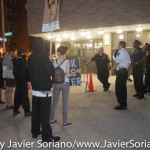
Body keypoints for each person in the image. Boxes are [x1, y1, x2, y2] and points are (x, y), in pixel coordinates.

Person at [27, 37, 60, 142]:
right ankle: (47, 137)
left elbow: (28, 72)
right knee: (45, 114)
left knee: (36, 112)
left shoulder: (30, 57)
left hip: (35, 89)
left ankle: (35, 132)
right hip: (44, 89)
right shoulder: (43, 56)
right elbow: (51, 71)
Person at [51, 46, 80, 127]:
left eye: (57, 51)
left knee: (54, 102)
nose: (57, 53)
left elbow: (53, 72)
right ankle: (65, 122)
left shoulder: (54, 61)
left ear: (59, 52)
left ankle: (52, 120)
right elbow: (68, 74)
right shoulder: (67, 61)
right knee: (64, 103)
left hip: (56, 83)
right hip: (65, 83)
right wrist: (76, 71)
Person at [13, 49, 31, 117]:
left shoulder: (16, 60)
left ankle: (15, 110)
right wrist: (28, 80)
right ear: (22, 53)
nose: (25, 54)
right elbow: (24, 72)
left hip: (18, 81)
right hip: (22, 81)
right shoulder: (21, 61)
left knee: (18, 96)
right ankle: (27, 111)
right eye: (24, 53)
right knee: (24, 96)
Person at [112, 41, 130, 110]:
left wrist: (113, 69)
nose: (117, 46)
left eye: (118, 45)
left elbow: (117, 62)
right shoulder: (126, 52)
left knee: (119, 89)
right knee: (123, 88)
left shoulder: (120, 52)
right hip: (124, 72)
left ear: (120, 45)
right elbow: (128, 63)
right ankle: (124, 104)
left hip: (121, 73)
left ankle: (122, 105)